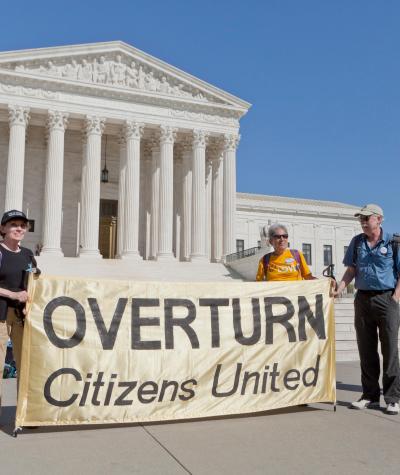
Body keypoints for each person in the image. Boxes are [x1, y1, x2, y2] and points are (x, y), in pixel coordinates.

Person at [333, 204, 400, 415]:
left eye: (366, 218)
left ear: (379, 219)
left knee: (389, 350)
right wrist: (340, 287)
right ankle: (369, 396)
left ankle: (392, 398)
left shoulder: (393, 242)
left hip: (386, 298)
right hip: (362, 299)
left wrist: (396, 298)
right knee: (366, 349)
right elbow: (351, 269)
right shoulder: (357, 242)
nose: (362, 221)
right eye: (360, 218)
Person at [0, 210, 38, 408]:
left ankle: (25, 411)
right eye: (13, 224)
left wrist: (28, 303)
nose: (18, 228)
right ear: (3, 229)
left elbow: (34, 282)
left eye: (22, 225)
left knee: (26, 364)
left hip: (22, 315)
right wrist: (13, 295)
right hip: (1, 315)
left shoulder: (27, 254)